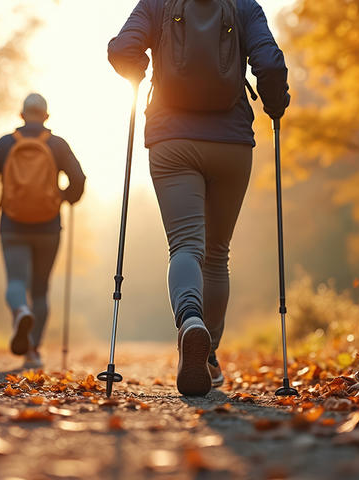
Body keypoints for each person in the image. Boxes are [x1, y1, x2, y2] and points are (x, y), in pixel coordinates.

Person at [108, 0, 291, 395]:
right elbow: (271, 66)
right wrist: (275, 104)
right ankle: (208, 356)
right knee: (217, 253)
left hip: (171, 139)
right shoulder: (244, 6)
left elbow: (124, 49)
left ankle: (190, 321)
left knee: (185, 246)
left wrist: (136, 71)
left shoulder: (157, 4)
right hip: (232, 143)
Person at [0, 94, 86, 368]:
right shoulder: (57, 145)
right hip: (48, 226)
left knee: (16, 283)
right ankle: (33, 351)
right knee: (41, 289)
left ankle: (21, 311)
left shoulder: (6, 143)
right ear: (46, 116)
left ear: (21, 115)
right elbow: (79, 180)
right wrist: (64, 197)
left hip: (13, 225)